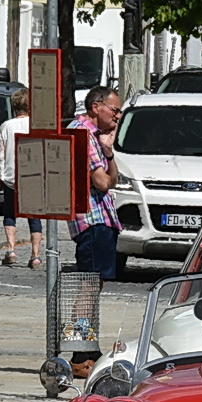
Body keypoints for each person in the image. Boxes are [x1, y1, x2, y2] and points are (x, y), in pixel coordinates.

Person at [66, 85, 124, 280]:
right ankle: (82, 305)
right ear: (96, 107)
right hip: (92, 222)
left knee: (95, 283)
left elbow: (112, 181)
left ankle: (87, 304)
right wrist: (106, 176)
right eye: (114, 110)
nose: (118, 116)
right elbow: (103, 183)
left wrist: (108, 152)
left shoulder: (95, 136)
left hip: (101, 220)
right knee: (90, 283)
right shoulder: (82, 134)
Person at [0, 87, 44, 269]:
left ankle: (11, 250)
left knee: (10, 214)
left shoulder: (6, 126)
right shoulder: (37, 125)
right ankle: (35, 255)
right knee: (34, 217)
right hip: (33, 177)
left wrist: (0, 177)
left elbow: (0, 154)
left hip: (11, 177)